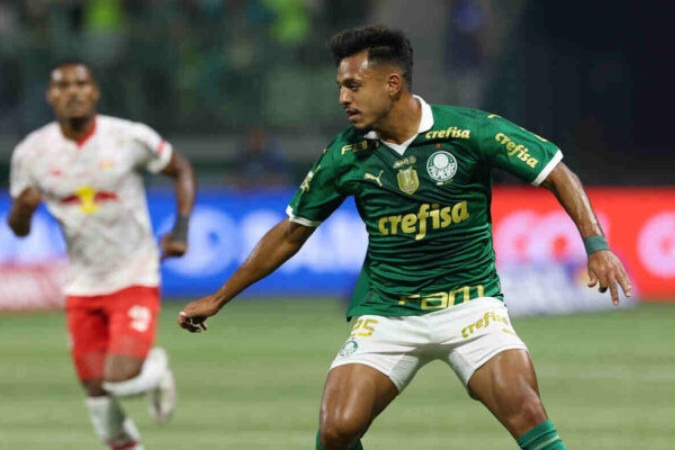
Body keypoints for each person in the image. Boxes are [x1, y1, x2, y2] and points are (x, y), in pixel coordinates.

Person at [177, 26, 631, 450]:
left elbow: (557, 172)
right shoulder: (346, 155)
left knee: (526, 411)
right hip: (388, 313)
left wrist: (597, 246)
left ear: (392, 84)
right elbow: (292, 232)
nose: (342, 98)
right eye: (340, 86)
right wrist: (219, 298)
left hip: (471, 307)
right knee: (337, 428)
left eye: (353, 85)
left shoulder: (469, 130)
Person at [8, 61, 196, 450]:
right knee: (97, 395)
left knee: (121, 380)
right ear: (51, 96)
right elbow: (18, 229)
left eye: (81, 84)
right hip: (82, 283)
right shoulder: (31, 153)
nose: (73, 92)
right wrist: (23, 211)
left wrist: (179, 229)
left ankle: (154, 371)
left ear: (94, 92)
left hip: (134, 274)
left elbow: (181, 170)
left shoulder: (127, 137)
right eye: (63, 86)